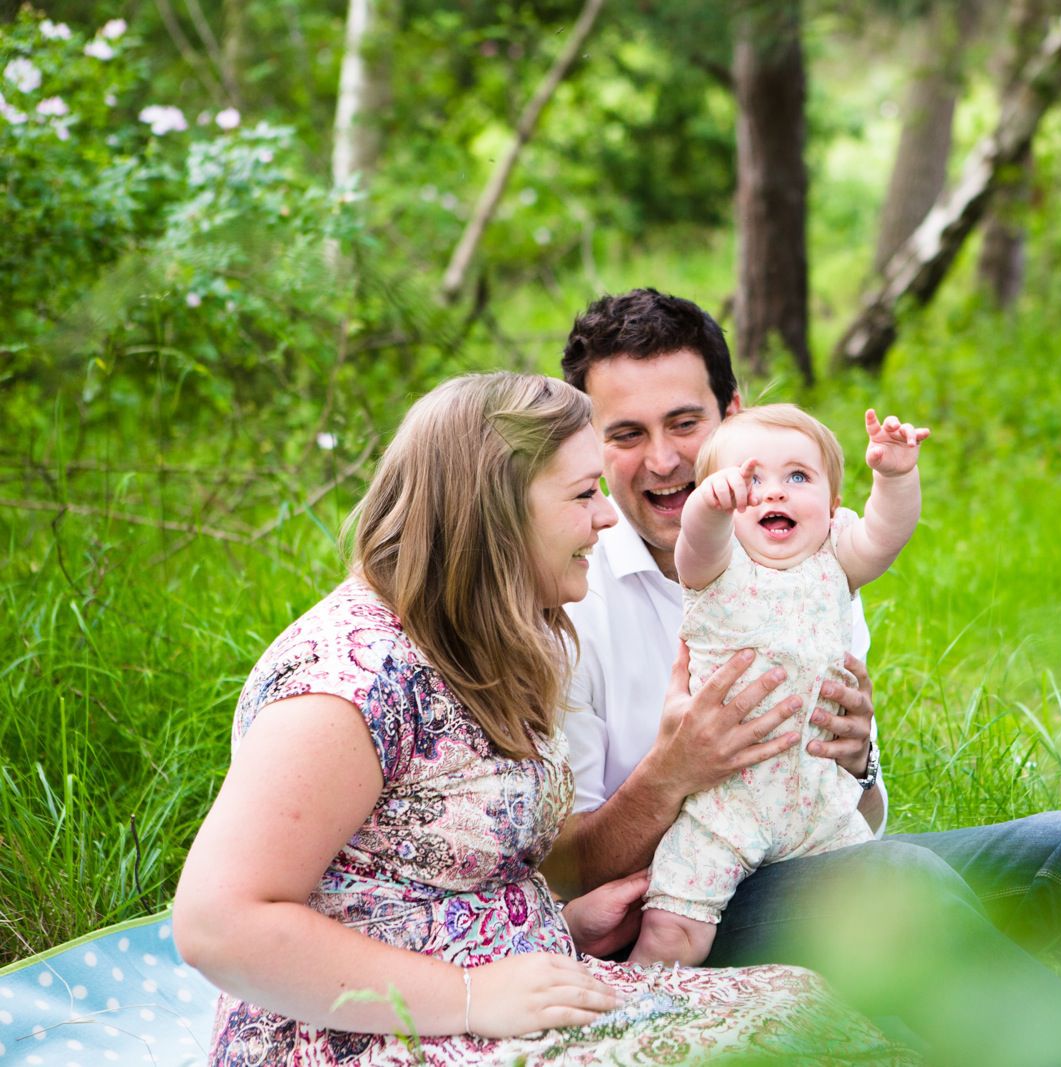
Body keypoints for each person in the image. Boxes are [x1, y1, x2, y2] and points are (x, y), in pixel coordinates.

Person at [558, 288, 1061, 1067]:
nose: (663, 459)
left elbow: (866, 809)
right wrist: (672, 772)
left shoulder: (811, 557)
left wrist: (857, 758)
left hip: (818, 847)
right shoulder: (571, 598)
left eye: (684, 422)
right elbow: (560, 869)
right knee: (899, 884)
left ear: (735, 417)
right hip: (686, 904)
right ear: (593, 446)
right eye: (625, 433)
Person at [171, 373, 912, 1065]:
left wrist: (566, 922)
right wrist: (471, 994)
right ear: (495, 509)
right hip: (370, 1033)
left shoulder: (485, 637)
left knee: (810, 1008)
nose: (605, 515)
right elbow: (218, 923)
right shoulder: (352, 679)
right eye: (585, 492)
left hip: (525, 983)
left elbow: (474, 859)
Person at [631, 404, 929, 966]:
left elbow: (887, 536)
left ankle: (866, 1018)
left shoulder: (835, 559)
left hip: (820, 802)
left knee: (878, 914)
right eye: (751, 478)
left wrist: (894, 476)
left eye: (798, 477)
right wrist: (709, 505)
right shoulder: (717, 567)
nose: (774, 493)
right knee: (673, 930)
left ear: (833, 505)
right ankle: (630, 1017)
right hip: (727, 804)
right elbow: (694, 541)